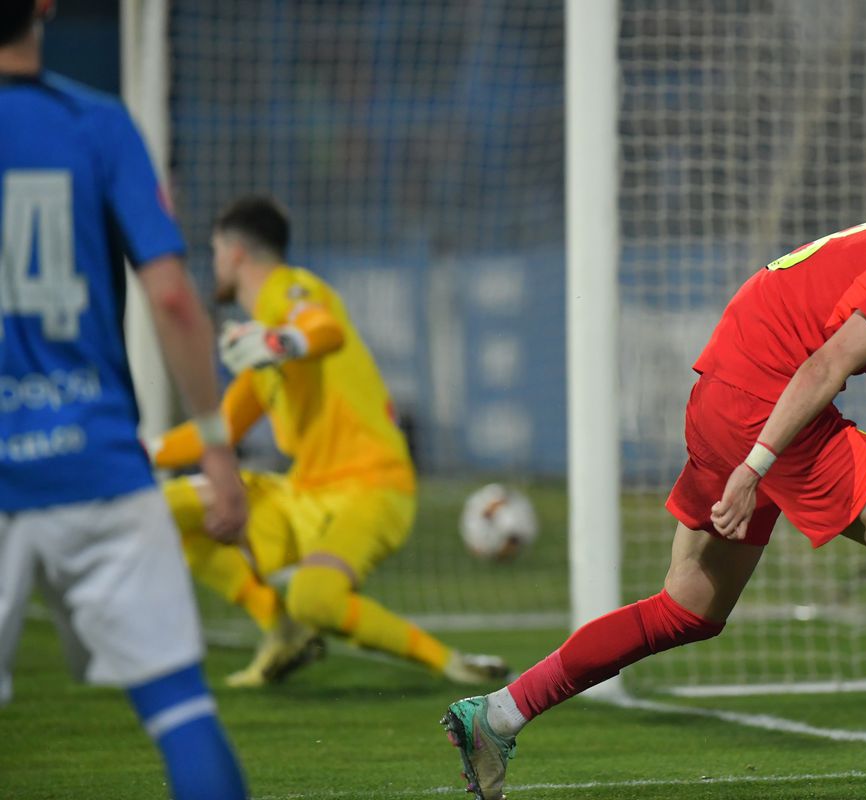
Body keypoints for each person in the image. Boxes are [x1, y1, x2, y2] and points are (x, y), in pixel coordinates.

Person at [441, 164, 866, 800]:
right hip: (766, 403)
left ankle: (497, 716)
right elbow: (827, 363)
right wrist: (755, 467)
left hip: (723, 392)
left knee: (686, 610)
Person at [0, 2, 250, 799]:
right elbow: (174, 299)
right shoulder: (96, 124)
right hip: (97, 462)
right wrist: (215, 445)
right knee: (182, 713)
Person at [149, 194, 510, 688]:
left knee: (315, 598)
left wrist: (281, 342)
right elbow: (222, 432)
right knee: (161, 508)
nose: (213, 265)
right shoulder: (261, 342)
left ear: (233, 253)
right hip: (304, 494)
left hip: (372, 487)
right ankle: (280, 629)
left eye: (214, 253)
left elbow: (325, 330)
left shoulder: (289, 290)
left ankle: (450, 662)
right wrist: (139, 452)